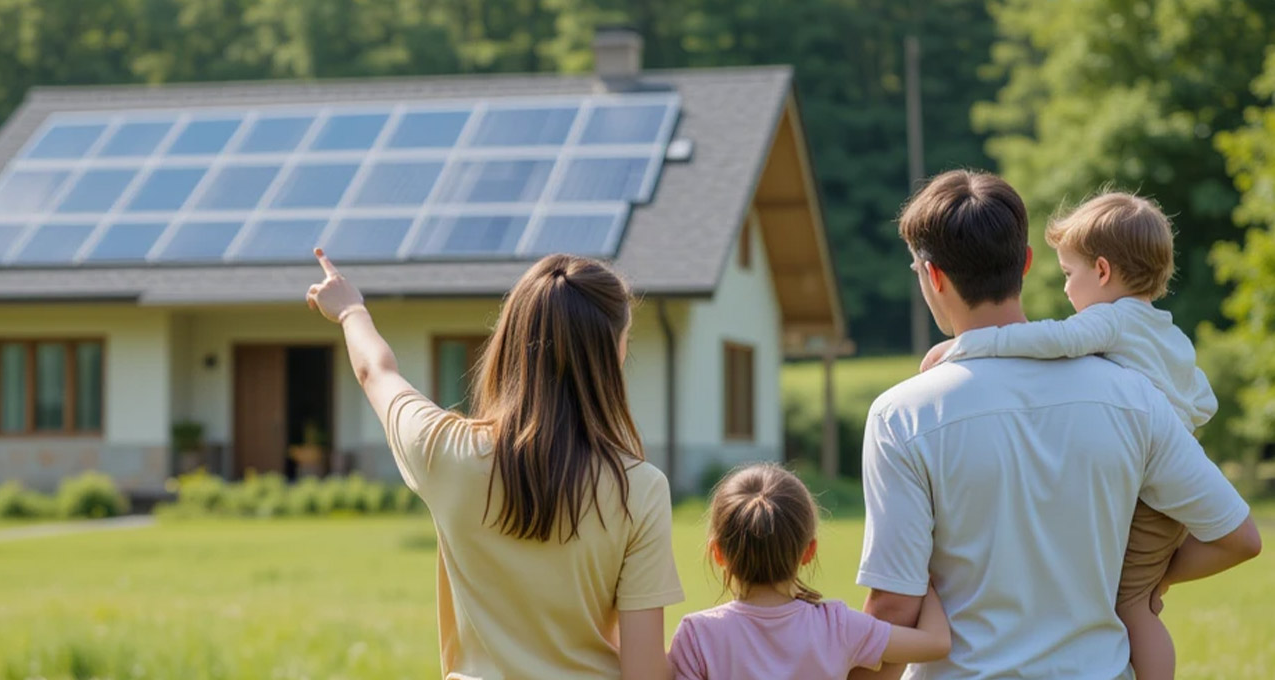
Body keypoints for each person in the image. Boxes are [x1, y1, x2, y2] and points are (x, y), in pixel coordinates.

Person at [849, 170, 1261, 680]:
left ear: (932, 276)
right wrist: (1142, 583)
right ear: (1025, 262)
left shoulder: (902, 416)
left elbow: (894, 606)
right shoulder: (1134, 395)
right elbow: (1239, 538)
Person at [306, 249, 683, 680]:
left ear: (512, 342)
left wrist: (351, 310)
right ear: (612, 353)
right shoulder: (641, 488)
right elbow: (644, 673)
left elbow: (376, 372)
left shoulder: (444, 450)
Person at [917, 191, 1215, 679]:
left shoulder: (1109, 321)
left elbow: (1051, 339)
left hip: (1150, 486)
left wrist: (969, 346)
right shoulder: (1167, 332)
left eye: (1069, 274)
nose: (1067, 290)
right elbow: (1203, 398)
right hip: (1170, 477)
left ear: (1101, 271)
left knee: (1133, 605)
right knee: (1134, 596)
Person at [669, 463, 950, 680]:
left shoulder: (696, 635)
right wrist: (921, 570)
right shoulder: (837, 626)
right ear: (809, 551)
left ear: (717, 553)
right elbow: (936, 643)